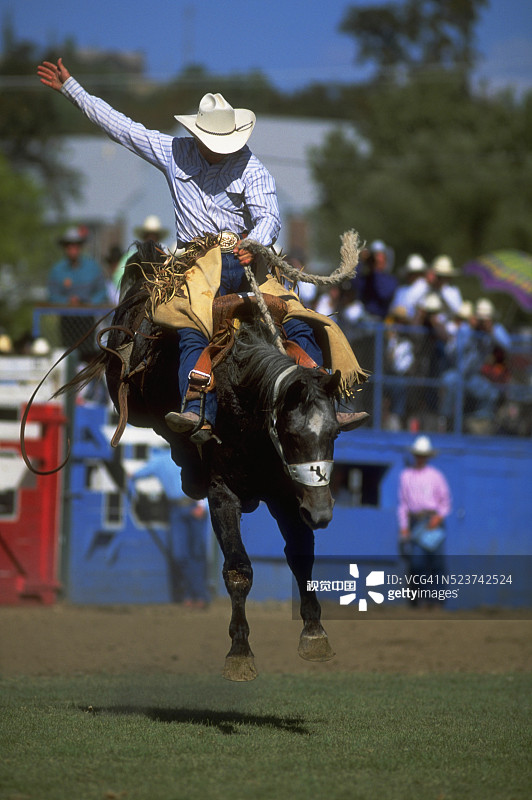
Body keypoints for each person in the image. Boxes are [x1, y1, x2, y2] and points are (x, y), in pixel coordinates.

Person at [38, 58, 367, 442]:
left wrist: (254, 244)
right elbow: (122, 128)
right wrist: (73, 89)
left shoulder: (253, 169)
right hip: (194, 264)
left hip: (246, 259)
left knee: (293, 314)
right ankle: (196, 408)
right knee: (190, 322)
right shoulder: (173, 150)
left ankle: (324, 399)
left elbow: (269, 217)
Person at [130, 449, 210, 607]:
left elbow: (138, 473)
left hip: (183, 507)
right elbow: (206, 479)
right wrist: (204, 505)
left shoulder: (159, 460)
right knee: (193, 554)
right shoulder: (190, 455)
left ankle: (194, 595)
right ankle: (197, 595)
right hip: (191, 506)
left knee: (185, 554)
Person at [397, 435, 452, 606]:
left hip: (433, 521)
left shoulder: (436, 476)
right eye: (418, 454)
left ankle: (436, 601)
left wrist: (438, 517)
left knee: (436, 563)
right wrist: (404, 526)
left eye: (423, 455)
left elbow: (445, 501)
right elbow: (403, 504)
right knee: (417, 563)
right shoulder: (406, 476)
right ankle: (420, 600)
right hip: (416, 522)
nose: (420, 458)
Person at [47, 225, 109, 357]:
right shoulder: (57, 270)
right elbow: (52, 295)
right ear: (65, 247)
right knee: (67, 355)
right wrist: (67, 301)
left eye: (75, 245)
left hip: (88, 322)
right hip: (66, 322)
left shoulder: (93, 268)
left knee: (88, 356)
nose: (72, 249)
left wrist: (88, 303)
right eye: (69, 245)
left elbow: (102, 292)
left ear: (80, 247)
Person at [354, 239, 399, 319]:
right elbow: (354, 285)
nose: (376, 259)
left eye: (380, 256)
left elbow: (383, 294)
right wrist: (362, 262)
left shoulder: (391, 280)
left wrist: (375, 271)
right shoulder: (366, 278)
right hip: (363, 319)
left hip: (380, 322)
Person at [390, 253, 429, 320]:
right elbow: (393, 309)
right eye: (412, 273)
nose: (413, 276)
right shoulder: (401, 291)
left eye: (416, 273)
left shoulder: (425, 288)